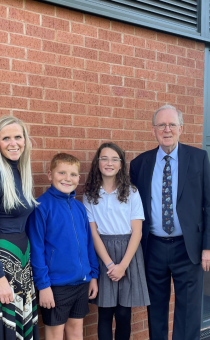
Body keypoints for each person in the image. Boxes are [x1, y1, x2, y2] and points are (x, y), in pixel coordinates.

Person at [130, 104, 210, 340]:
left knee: (189, 312)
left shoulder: (199, 158)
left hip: (189, 247)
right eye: (161, 125)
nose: (167, 129)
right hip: (153, 247)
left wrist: (207, 246)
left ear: (181, 128)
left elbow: (208, 204)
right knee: (155, 308)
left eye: (172, 124)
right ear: (153, 130)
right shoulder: (139, 164)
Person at [27, 153, 99, 340]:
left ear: (78, 178)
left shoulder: (79, 207)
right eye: (62, 173)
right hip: (55, 286)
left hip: (81, 283)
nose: (68, 178)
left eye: (73, 174)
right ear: (50, 175)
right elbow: (36, 249)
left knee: (76, 331)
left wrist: (92, 275)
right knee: (55, 334)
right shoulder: (41, 207)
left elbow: (88, 243)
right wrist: (43, 286)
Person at [83, 142, 150, 340]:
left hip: (128, 254)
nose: (109, 163)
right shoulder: (90, 194)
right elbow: (93, 233)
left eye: (114, 159)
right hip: (103, 253)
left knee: (123, 313)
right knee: (104, 312)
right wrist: (110, 264)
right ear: (97, 163)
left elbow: (137, 231)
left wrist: (123, 266)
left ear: (121, 165)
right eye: (104, 158)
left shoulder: (132, 192)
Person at [0, 116, 39, 340]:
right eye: (6, 138)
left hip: (22, 266)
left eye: (18, 136)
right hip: (4, 269)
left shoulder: (21, 172)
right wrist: (0, 278)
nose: (13, 143)